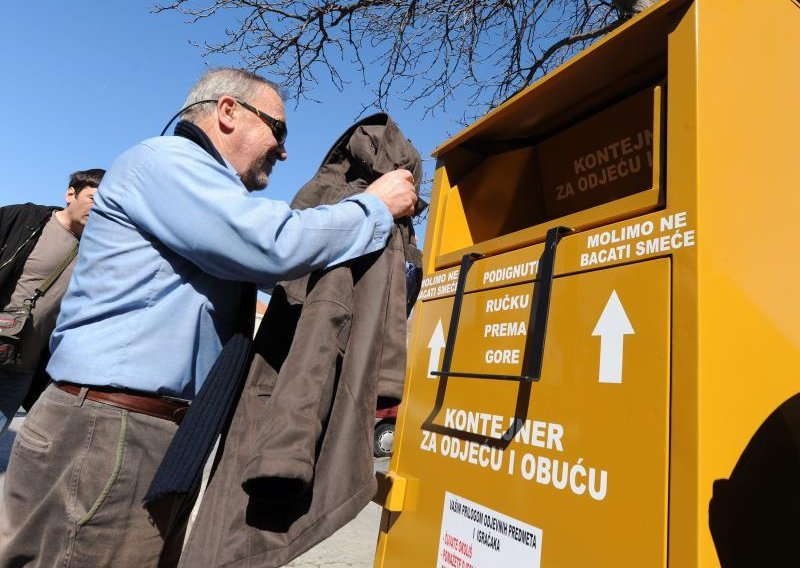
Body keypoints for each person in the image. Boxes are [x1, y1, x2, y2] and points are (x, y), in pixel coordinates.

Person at [0, 68, 416, 567]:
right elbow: (272, 245)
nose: (283, 152)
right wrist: (371, 208)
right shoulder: (168, 163)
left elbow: (281, 273)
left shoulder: (204, 203)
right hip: (111, 432)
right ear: (227, 111)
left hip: (147, 435)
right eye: (277, 130)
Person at [0, 168, 105, 436]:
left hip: (24, 368)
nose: (99, 208)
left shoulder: (95, 252)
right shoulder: (24, 220)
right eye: (94, 198)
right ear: (71, 193)